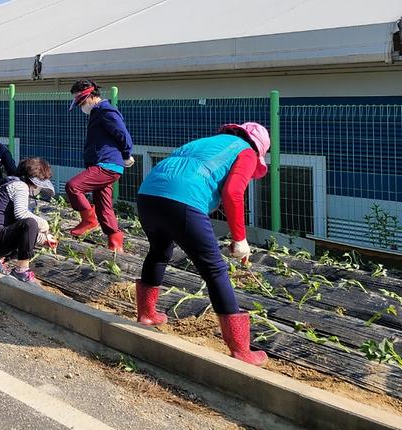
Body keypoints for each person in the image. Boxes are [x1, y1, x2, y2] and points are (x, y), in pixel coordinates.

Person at [135, 122, 271, 367]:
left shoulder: (205, 142)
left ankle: (146, 314)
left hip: (148, 195)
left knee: (159, 251)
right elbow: (233, 193)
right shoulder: (247, 151)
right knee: (215, 270)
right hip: (183, 200)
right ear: (258, 147)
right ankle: (241, 350)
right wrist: (240, 239)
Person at [65, 79, 135, 252]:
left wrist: (126, 155)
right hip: (102, 164)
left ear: (90, 96)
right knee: (103, 205)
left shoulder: (105, 110)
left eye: (81, 101)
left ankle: (89, 220)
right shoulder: (97, 112)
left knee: (73, 187)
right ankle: (115, 241)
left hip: (107, 165)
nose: (81, 106)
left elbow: (123, 134)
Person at [0, 157, 56, 283]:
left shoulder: (10, 185)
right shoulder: (20, 186)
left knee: (28, 225)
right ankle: (21, 270)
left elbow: (20, 231)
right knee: (30, 222)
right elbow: (22, 215)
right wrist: (43, 224)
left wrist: (44, 239)